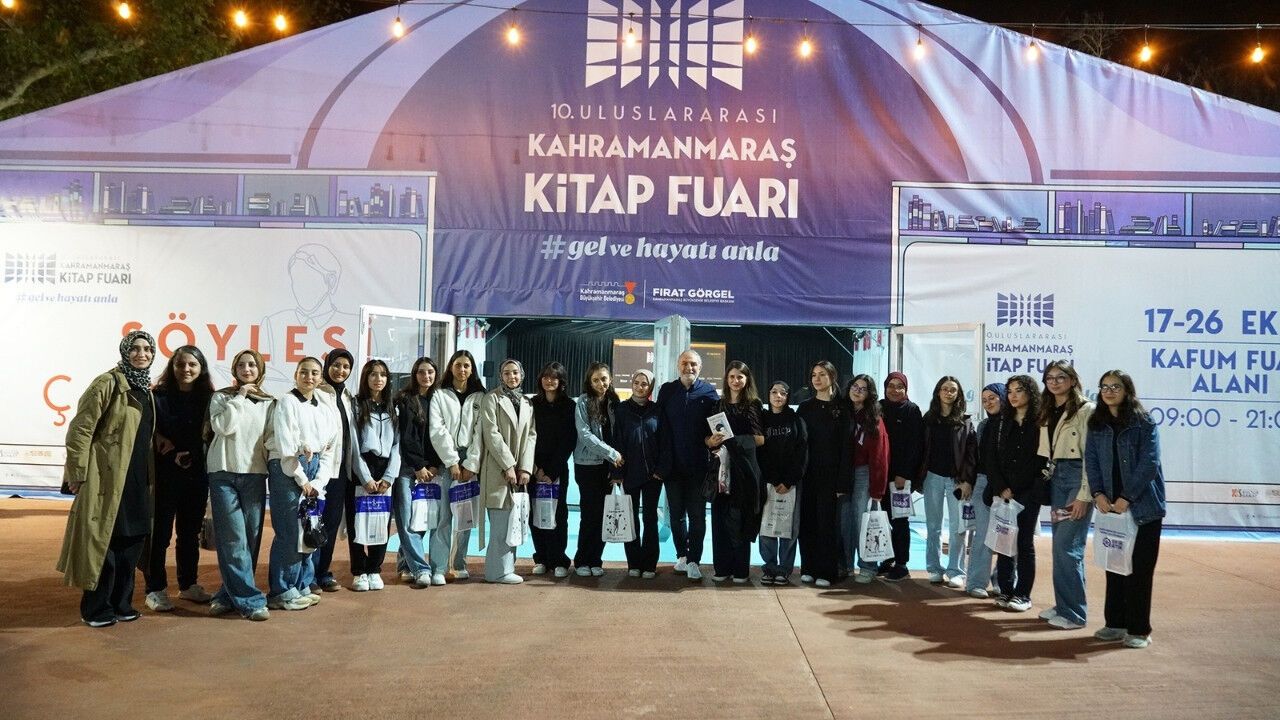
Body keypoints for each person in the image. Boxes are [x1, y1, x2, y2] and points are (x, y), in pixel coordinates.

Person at [59, 330, 158, 628]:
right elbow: (81, 429)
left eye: (147, 349)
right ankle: (96, 608)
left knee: (132, 541)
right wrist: (77, 472)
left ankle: (121, 603)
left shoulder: (146, 389)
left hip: (137, 480)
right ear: (125, 351)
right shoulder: (108, 383)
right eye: (135, 348)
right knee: (105, 543)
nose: (141, 354)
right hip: (107, 478)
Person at [1085, 370, 1166, 649]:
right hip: (1110, 507)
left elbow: (1149, 463)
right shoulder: (1097, 424)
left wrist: (1126, 497)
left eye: (1115, 386)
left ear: (1127, 390)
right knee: (1114, 567)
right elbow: (1091, 461)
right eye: (1104, 386)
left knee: (1139, 571)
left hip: (1143, 508)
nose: (1109, 391)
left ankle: (1139, 629)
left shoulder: (1143, 422)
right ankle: (1115, 623)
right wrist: (1098, 493)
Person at [144, 345, 215, 611]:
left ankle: (188, 585)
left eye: (192, 365)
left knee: (189, 534)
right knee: (160, 535)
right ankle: (155, 589)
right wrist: (164, 446)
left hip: (196, 476)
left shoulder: (210, 398)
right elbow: (147, 431)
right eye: (180, 364)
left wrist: (194, 455)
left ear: (201, 368)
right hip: (164, 476)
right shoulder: (157, 396)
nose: (186, 369)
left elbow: (212, 435)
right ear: (172, 367)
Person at [206, 349, 273, 621]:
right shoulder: (222, 397)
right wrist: (241, 396)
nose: (247, 369)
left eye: (252, 365)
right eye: (242, 365)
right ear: (234, 370)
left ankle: (227, 594)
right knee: (233, 538)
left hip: (254, 474)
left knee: (250, 539)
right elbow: (224, 427)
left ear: (260, 369)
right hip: (223, 472)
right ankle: (250, 601)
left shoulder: (270, 402)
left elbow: (271, 438)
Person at [266, 357, 337, 611]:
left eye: (315, 373)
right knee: (289, 531)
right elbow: (287, 447)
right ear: (296, 374)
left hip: (314, 469)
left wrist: (319, 480)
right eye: (304, 372)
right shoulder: (287, 401)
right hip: (288, 468)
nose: (309, 377)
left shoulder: (324, 405)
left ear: (320, 377)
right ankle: (282, 590)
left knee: (309, 527)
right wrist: (303, 479)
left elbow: (329, 448)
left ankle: (301, 583)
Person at [1038, 360, 1095, 630]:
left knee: (1068, 547)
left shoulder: (1086, 410)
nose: (1055, 382)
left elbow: (1091, 458)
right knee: (1060, 547)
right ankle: (1064, 605)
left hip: (1077, 478)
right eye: (1050, 378)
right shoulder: (1048, 409)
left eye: (1061, 377)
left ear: (1072, 380)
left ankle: (1074, 613)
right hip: (1057, 476)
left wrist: (1085, 494)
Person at [469, 359, 536, 584]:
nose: (511, 377)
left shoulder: (526, 402)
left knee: (513, 522)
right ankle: (496, 572)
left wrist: (525, 468)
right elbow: (492, 434)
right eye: (506, 373)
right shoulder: (491, 399)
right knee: (500, 524)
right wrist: (508, 465)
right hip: (497, 471)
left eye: (515, 372)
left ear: (521, 375)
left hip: (519, 473)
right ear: (501, 376)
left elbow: (531, 436)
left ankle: (507, 568)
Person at [654, 349, 719, 581]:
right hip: (672, 468)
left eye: (693, 364)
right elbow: (659, 426)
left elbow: (716, 426)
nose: (688, 368)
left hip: (699, 468)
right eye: (684, 363)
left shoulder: (709, 392)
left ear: (700, 367)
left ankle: (694, 560)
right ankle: (682, 555)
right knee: (676, 516)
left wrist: (712, 442)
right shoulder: (667, 391)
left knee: (698, 516)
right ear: (678, 366)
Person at [985, 374, 1045, 613]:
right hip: (1003, 492)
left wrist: (1018, 487)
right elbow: (990, 458)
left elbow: (1041, 460)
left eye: (1018, 390)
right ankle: (1005, 589)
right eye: (1009, 391)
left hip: (1028, 492)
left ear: (1030, 392)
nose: (1013, 396)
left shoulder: (1041, 422)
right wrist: (1001, 487)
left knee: (1024, 543)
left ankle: (1023, 594)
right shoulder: (1001, 422)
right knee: (1004, 541)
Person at [428, 349, 485, 585]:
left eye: (466, 365)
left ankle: (459, 563)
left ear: (472, 369)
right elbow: (437, 430)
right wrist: (451, 461)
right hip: (445, 461)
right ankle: (438, 567)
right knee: (443, 518)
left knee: (465, 517)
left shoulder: (480, 396)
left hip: (470, 462)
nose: (462, 369)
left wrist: (471, 463)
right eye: (458, 365)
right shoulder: (439, 395)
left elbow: (480, 432)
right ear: (451, 367)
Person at [707, 361, 765, 584]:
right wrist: (711, 441)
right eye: (732, 377)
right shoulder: (717, 405)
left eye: (740, 377)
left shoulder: (753, 404)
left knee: (740, 519)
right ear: (726, 379)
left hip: (744, 471)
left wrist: (732, 441)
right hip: (721, 470)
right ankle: (721, 568)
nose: (735, 381)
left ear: (747, 379)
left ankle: (740, 570)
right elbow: (707, 438)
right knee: (720, 519)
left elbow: (759, 439)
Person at [916, 376, 978, 587]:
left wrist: (967, 480)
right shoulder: (928, 419)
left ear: (958, 394)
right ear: (938, 392)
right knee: (933, 526)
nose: (948, 393)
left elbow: (971, 454)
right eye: (945, 389)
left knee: (958, 527)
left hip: (956, 481)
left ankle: (955, 571)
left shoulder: (965, 421)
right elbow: (920, 449)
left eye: (953, 390)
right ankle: (934, 568)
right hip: (932, 477)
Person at [348, 359, 399, 592]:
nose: (378, 379)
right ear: (365, 378)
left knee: (381, 519)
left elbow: (397, 445)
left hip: (385, 469)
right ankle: (359, 570)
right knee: (357, 521)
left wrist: (389, 476)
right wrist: (365, 477)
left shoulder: (393, 408)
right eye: (373, 374)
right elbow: (354, 445)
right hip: (362, 469)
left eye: (383, 375)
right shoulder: (356, 405)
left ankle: (374, 569)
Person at [797, 361, 848, 588]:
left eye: (822, 374)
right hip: (807, 474)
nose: (817, 379)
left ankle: (827, 571)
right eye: (814, 375)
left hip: (831, 476)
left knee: (827, 524)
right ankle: (808, 567)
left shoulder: (842, 408)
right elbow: (799, 443)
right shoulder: (805, 407)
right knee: (807, 522)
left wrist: (842, 481)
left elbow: (846, 447)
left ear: (832, 377)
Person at [393, 356, 441, 588]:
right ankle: (421, 568)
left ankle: (405, 564)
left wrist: (433, 465)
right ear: (414, 374)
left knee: (421, 518)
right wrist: (418, 466)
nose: (426, 376)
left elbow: (438, 436)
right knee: (406, 520)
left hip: (430, 469)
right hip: (408, 468)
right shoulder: (404, 399)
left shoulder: (439, 399)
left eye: (430, 372)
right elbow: (406, 437)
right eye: (421, 372)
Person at [610, 369, 661, 578]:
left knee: (650, 519)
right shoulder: (622, 410)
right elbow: (616, 441)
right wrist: (617, 472)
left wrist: (660, 470)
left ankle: (649, 564)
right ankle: (634, 563)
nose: (640, 387)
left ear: (650, 387)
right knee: (630, 519)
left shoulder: (657, 410)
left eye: (645, 384)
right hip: (630, 474)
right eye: (637, 382)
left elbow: (665, 442)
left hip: (652, 476)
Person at [573, 362, 623, 577]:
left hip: (608, 467)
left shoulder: (615, 402)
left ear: (610, 379)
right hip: (587, 465)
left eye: (604, 379)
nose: (600, 383)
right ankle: (582, 560)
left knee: (604, 515)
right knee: (589, 515)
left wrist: (615, 465)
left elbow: (618, 434)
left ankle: (596, 560)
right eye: (596, 380)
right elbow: (585, 435)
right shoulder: (583, 402)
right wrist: (611, 453)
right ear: (589, 382)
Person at [313, 349, 355, 593]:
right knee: (311, 522)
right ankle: (307, 575)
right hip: (319, 470)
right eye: (336, 365)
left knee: (330, 523)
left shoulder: (348, 397)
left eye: (346, 366)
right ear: (327, 365)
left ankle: (322, 572)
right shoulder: (317, 393)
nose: (340, 370)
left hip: (340, 471)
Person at [530, 362, 576, 578]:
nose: (549, 381)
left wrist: (552, 472)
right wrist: (536, 469)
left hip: (557, 470)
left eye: (554, 377)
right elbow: (526, 437)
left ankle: (559, 560)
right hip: (534, 469)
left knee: (558, 514)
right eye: (546, 377)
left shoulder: (569, 406)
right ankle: (541, 558)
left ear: (561, 381)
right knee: (535, 513)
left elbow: (569, 440)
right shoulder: (532, 404)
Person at [841, 374, 889, 584]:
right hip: (843, 472)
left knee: (864, 520)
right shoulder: (843, 413)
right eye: (855, 386)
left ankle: (868, 565)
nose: (857, 391)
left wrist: (877, 490)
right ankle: (845, 564)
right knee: (844, 521)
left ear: (870, 394)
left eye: (863, 389)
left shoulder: (874, 419)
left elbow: (880, 456)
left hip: (863, 473)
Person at [759, 381, 807, 584]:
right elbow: (759, 452)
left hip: (790, 484)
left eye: (782, 393)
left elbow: (801, 452)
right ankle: (769, 567)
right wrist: (771, 478)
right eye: (774, 392)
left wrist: (789, 480)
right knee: (767, 526)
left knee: (789, 528)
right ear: (768, 395)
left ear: (787, 397)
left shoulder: (796, 420)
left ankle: (784, 569)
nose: (778, 396)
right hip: (768, 482)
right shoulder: (762, 419)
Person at [878, 371, 922, 582]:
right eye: (891, 386)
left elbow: (915, 445)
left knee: (900, 520)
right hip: (880, 475)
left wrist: (904, 474)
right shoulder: (878, 407)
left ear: (906, 389)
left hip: (900, 479)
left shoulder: (912, 410)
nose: (894, 390)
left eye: (899, 386)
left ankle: (902, 564)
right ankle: (887, 559)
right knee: (882, 519)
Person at [964, 383, 1007, 599]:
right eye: (984, 400)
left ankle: (1003, 580)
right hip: (983, 482)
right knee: (982, 534)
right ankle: (975, 582)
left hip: (1009, 487)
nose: (988, 403)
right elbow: (976, 457)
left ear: (1003, 397)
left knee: (1008, 535)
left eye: (992, 398)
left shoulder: (1014, 424)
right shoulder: (983, 426)